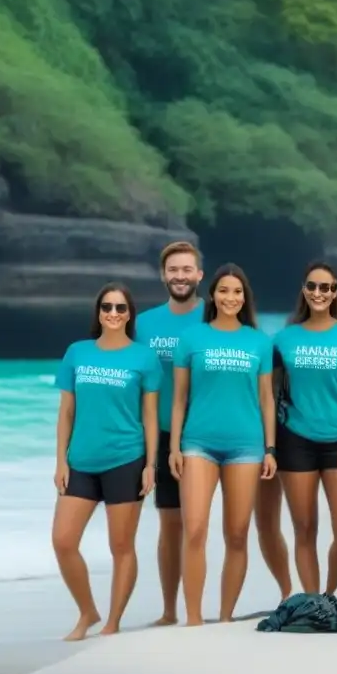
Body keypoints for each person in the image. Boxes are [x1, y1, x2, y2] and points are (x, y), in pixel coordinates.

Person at [52, 283, 161, 640]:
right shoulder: (77, 353)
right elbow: (66, 412)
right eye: (106, 308)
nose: (113, 314)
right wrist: (61, 462)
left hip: (126, 460)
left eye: (120, 309)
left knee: (121, 546)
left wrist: (150, 465)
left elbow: (149, 416)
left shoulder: (143, 358)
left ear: (129, 315)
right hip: (81, 461)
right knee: (63, 541)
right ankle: (88, 612)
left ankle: (113, 621)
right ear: (98, 313)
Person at [170, 263, 277, 626]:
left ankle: (227, 615)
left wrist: (270, 449)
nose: (230, 298)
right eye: (224, 291)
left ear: (244, 298)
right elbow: (179, 398)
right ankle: (194, 618)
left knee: (237, 532)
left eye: (237, 292)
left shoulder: (259, 341)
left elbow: (266, 399)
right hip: (197, 443)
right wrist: (174, 447)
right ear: (212, 295)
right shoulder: (192, 338)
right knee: (195, 528)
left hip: (246, 447)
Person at [272, 262, 337, 594]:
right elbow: (270, 395)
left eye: (326, 288)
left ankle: (329, 593)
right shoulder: (284, 338)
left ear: (335, 292)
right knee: (304, 528)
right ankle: (314, 602)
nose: (319, 293)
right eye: (313, 286)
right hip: (294, 440)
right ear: (304, 289)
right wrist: (267, 447)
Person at [135, 240, 206, 626]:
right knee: (172, 524)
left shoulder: (216, 317)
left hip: (213, 433)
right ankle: (169, 610)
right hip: (162, 435)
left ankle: (224, 606)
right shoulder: (144, 324)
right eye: (173, 270)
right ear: (164, 275)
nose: (180, 276)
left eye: (186, 269)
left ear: (199, 275)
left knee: (226, 524)